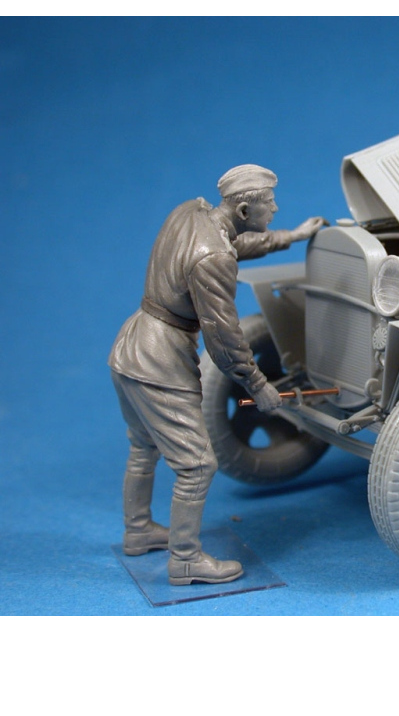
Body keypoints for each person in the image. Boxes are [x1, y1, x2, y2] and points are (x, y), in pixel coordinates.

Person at [109, 164, 325, 584]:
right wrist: (258, 385)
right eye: (269, 204)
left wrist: (292, 237)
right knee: (197, 465)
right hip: (159, 360)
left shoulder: (191, 213)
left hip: (131, 345)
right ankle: (185, 559)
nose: (276, 209)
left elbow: (233, 242)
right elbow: (224, 339)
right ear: (244, 210)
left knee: (143, 446)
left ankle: (138, 530)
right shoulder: (214, 259)